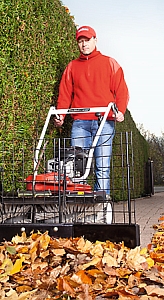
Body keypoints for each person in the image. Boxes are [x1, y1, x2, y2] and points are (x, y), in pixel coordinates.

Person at [54, 25, 129, 198]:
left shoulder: (110, 63)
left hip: (104, 122)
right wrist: (61, 115)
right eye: (80, 41)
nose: (84, 44)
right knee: (77, 168)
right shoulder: (72, 67)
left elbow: (122, 90)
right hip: (80, 123)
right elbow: (65, 94)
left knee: (102, 167)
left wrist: (121, 111)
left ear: (95, 40)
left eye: (87, 40)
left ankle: (102, 207)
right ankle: (79, 206)